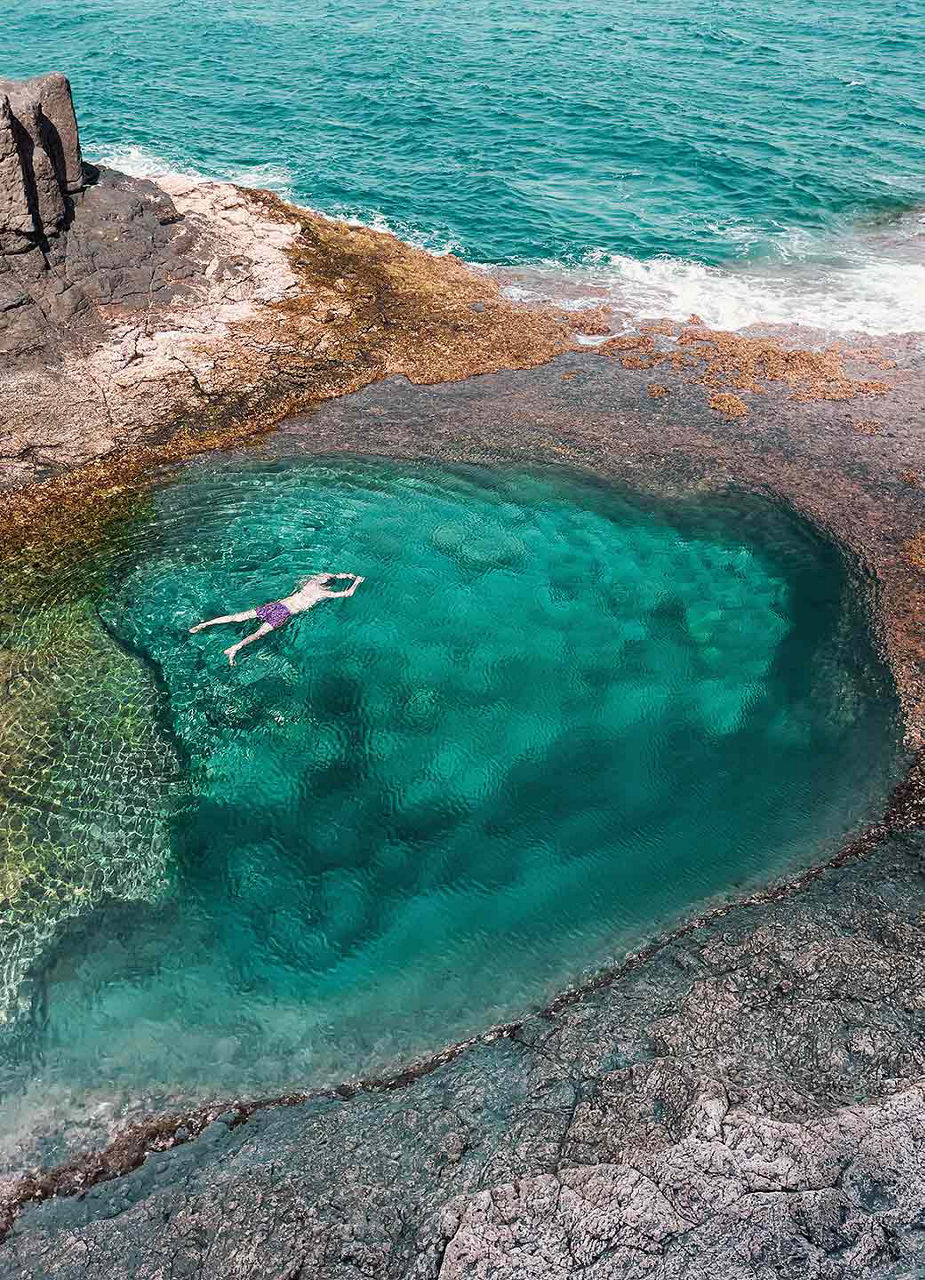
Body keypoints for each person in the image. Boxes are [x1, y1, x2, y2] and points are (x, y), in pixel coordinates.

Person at [189, 573, 365, 665]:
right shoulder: (323, 593)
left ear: (322, 579)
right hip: (283, 614)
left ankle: (205, 624)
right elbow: (348, 593)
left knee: (238, 617)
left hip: (276, 606)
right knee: (258, 634)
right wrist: (357, 581)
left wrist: (347, 575)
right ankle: (235, 648)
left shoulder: (312, 582)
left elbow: (332, 575)